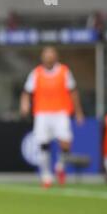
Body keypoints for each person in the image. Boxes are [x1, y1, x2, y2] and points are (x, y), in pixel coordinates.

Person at [20, 46, 85, 189]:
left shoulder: (64, 71)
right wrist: (24, 104)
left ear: (56, 56)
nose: (48, 57)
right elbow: (26, 91)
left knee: (65, 142)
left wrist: (79, 112)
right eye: (46, 54)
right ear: (42, 57)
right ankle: (46, 176)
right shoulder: (36, 73)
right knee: (43, 144)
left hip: (61, 112)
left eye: (51, 54)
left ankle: (60, 167)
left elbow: (73, 92)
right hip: (42, 113)